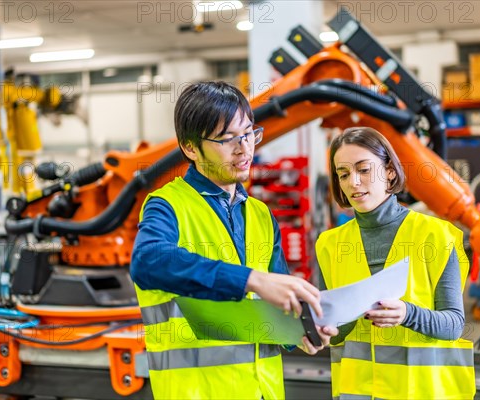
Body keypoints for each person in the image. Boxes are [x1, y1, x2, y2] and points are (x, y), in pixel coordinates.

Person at [131, 81, 336, 400]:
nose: (244, 149)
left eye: (249, 134)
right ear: (189, 147)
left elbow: (279, 307)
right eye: (227, 139)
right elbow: (148, 262)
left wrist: (301, 332)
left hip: (263, 391)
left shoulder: (260, 215)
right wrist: (251, 280)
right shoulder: (167, 205)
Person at [316, 127, 476, 399]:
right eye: (343, 174)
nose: (353, 182)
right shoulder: (329, 245)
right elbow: (336, 333)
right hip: (358, 392)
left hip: (422, 392)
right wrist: (320, 328)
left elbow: (453, 324)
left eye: (364, 170)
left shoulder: (436, 236)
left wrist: (407, 314)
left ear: (389, 171)